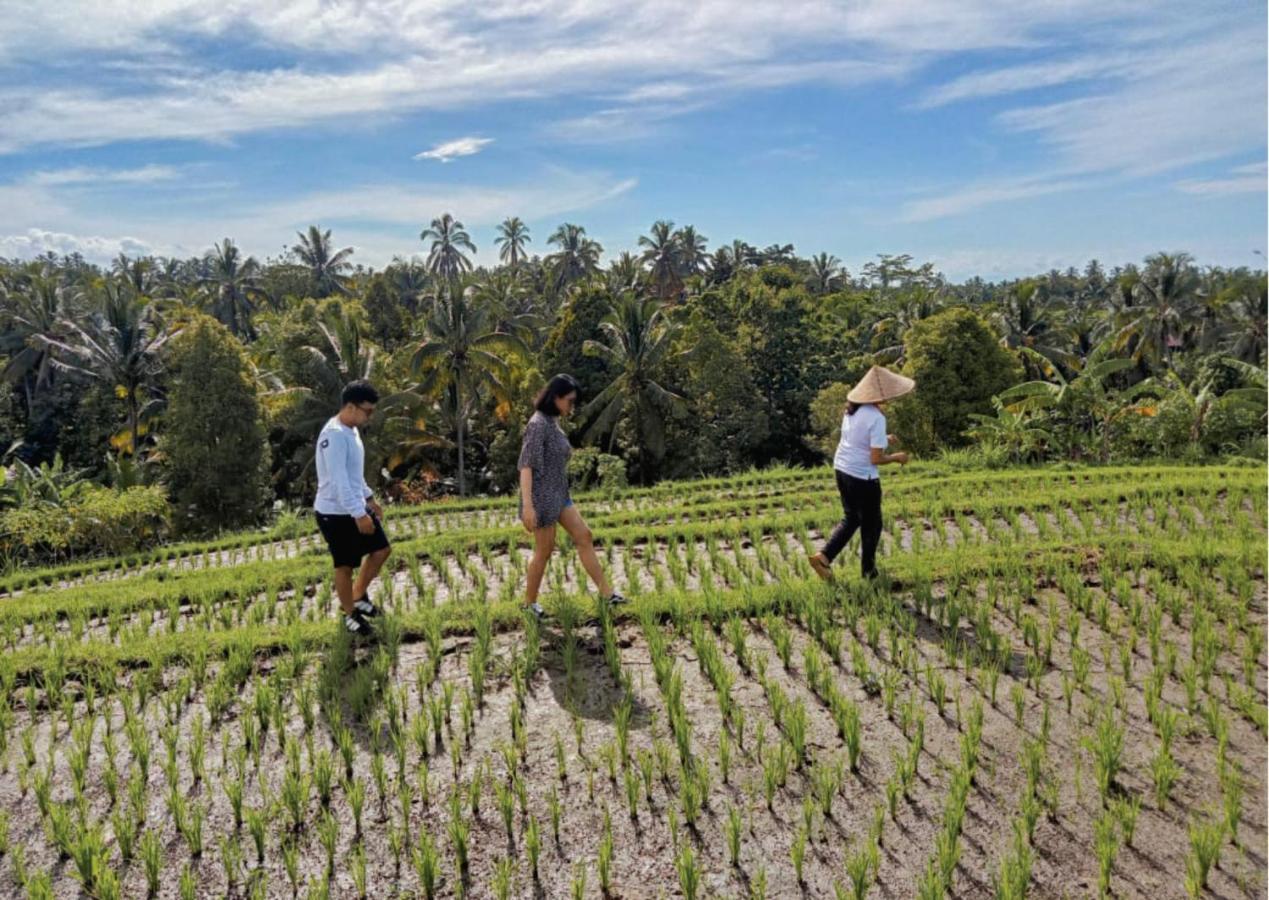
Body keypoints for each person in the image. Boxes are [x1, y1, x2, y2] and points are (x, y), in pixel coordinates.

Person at [518, 374, 626, 619]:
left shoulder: (552, 421)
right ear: (555, 397)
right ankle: (529, 604)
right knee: (544, 551)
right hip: (542, 498)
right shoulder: (537, 425)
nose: (572, 406)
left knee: (584, 536)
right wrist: (528, 506)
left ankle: (608, 595)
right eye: (569, 401)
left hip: (560, 494)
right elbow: (526, 466)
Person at [809, 365, 914, 582]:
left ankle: (826, 557)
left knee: (853, 518)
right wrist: (897, 457)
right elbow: (875, 458)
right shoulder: (876, 417)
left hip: (842, 469)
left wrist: (884, 439)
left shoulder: (852, 410)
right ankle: (866, 572)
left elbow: (859, 440)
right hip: (862, 477)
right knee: (872, 523)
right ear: (879, 395)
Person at [314, 380, 392, 636]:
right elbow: (338, 481)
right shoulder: (334, 435)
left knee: (381, 550)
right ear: (350, 406)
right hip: (334, 513)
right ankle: (350, 614)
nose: (369, 416)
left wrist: (369, 499)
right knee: (344, 566)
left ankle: (358, 596)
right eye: (367, 411)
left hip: (355, 503)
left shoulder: (352, 430)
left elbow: (353, 475)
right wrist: (359, 514)